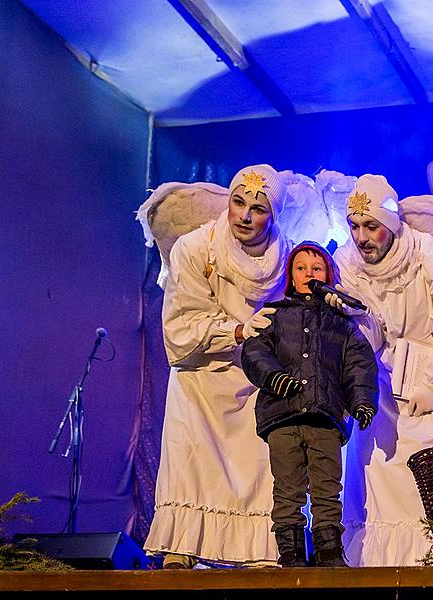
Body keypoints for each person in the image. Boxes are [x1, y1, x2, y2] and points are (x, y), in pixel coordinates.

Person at [143, 164, 292, 567]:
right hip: (201, 378)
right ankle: (183, 546)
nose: (245, 215)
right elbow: (180, 327)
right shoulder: (194, 248)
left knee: (257, 465)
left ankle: (257, 547)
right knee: (194, 461)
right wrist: (239, 331)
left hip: (255, 382)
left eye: (258, 209)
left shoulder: (286, 256)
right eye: (238, 202)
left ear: (273, 215)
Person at [333, 174, 433, 566]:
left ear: (390, 224)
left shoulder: (426, 253)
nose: (362, 236)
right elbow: (358, 334)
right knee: (382, 487)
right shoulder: (346, 264)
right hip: (382, 388)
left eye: (371, 226)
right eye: (354, 226)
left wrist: (431, 380)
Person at [240, 241, 378, 567]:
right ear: (290, 274)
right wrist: (273, 377)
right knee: (288, 487)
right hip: (282, 416)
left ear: (328, 275)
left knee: (327, 485)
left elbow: (358, 364)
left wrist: (362, 402)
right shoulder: (275, 315)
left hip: (325, 416)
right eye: (301, 268)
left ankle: (329, 550)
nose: (309, 274)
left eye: (316, 269)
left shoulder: (341, 324)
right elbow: (255, 351)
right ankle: (291, 552)